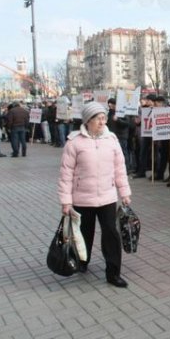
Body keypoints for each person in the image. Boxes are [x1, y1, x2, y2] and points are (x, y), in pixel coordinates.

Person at [57, 102, 132, 288]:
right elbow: (66, 174)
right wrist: (66, 201)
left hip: (107, 197)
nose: (102, 122)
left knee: (111, 234)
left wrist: (125, 192)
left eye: (103, 118)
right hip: (82, 197)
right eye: (98, 118)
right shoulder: (74, 142)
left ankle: (113, 273)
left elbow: (119, 169)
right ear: (88, 121)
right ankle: (83, 261)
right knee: (84, 233)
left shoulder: (112, 140)